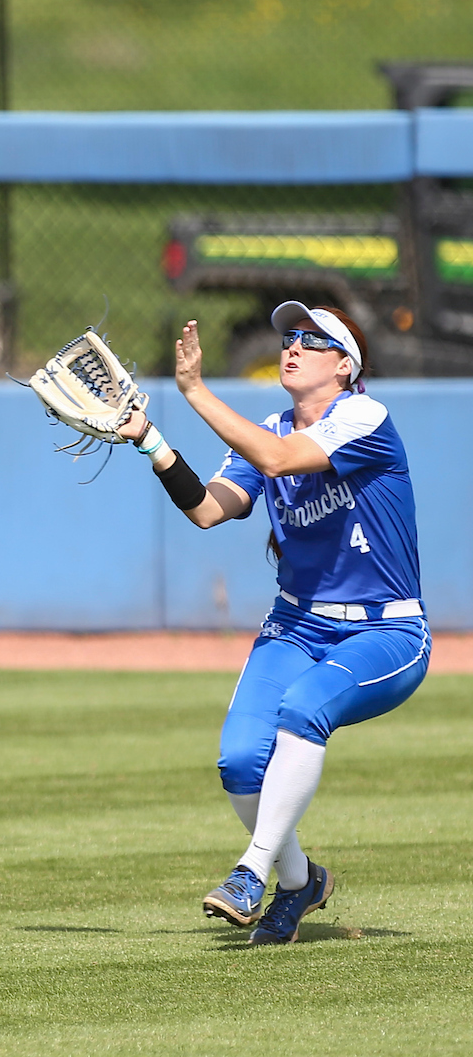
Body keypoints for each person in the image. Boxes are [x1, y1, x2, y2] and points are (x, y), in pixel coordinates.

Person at [120, 302, 429, 945]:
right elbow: (211, 509)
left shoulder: (364, 418)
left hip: (385, 632)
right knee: (238, 763)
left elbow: (282, 459)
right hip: (296, 624)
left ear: (345, 366)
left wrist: (195, 391)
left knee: (304, 709)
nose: (292, 347)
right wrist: (153, 441)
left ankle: (251, 870)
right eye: (288, 337)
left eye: (312, 342)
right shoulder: (271, 428)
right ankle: (300, 883)